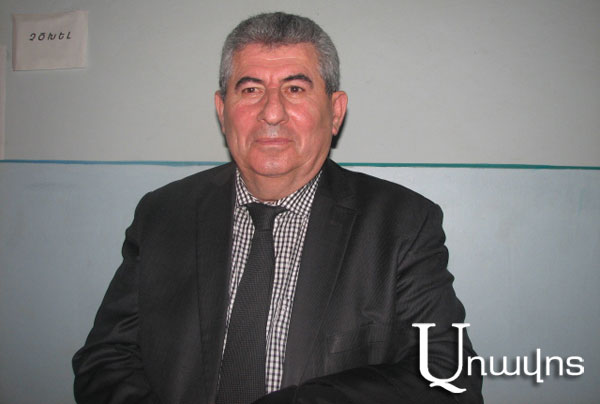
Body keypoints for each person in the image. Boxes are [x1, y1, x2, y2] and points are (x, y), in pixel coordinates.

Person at [73, 12, 483, 404]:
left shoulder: (401, 224)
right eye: (251, 90)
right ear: (222, 111)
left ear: (335, 111)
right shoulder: (163, 215)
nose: (271, 113)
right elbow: (106, 359)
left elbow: (448, 376)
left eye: (295, 89)